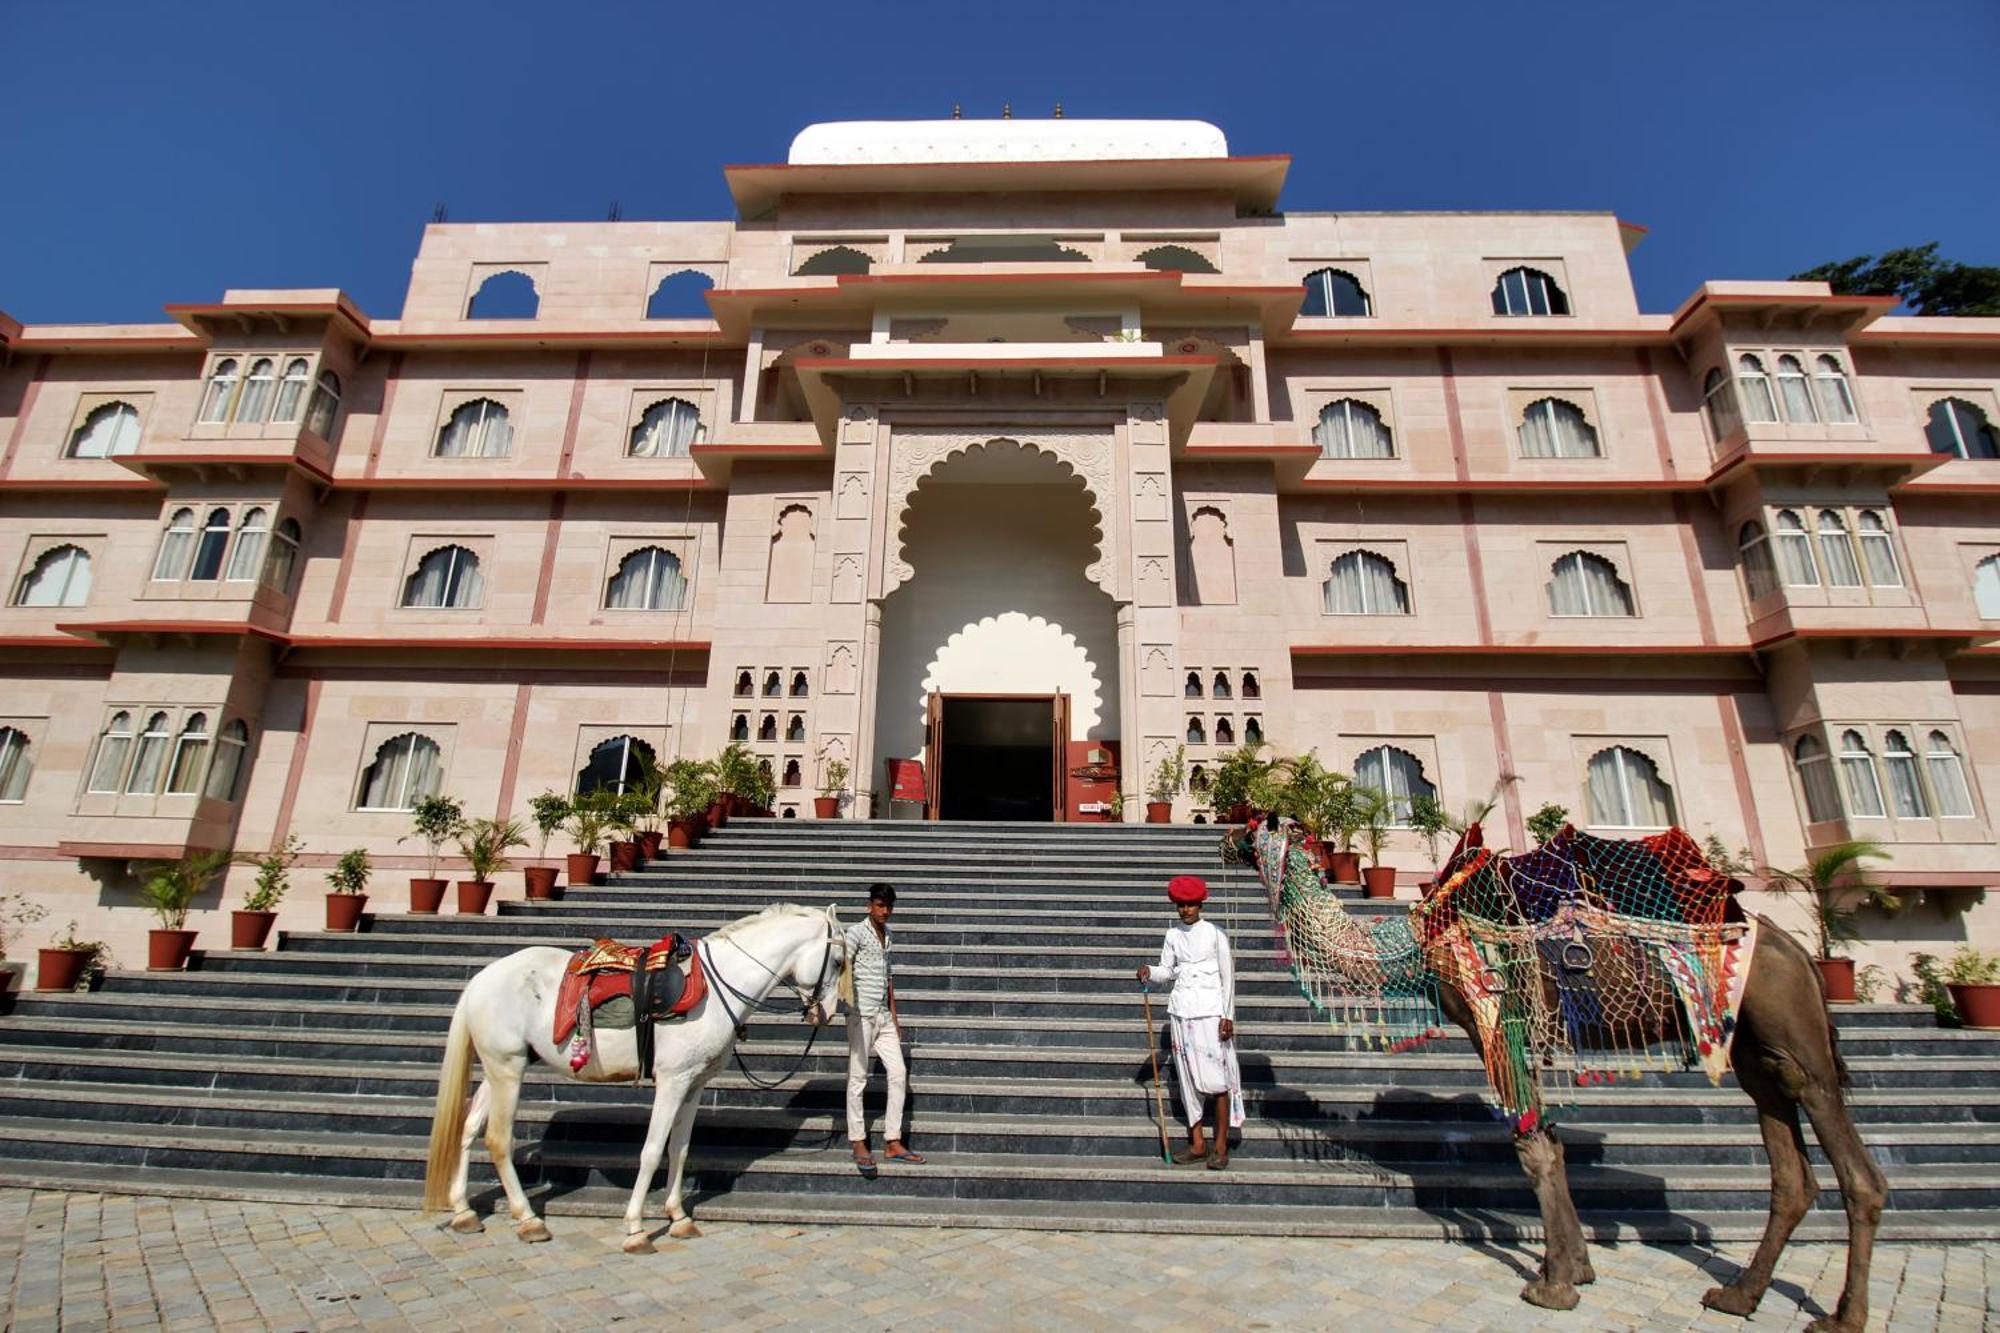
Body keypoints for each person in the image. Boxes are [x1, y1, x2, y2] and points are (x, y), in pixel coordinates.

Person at [1136, 874, 1243, 1169]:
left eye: (1190, 904)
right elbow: (1167, 971)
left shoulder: (1216, 934)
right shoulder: (1172, 935)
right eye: (1180, 905)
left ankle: (1220, 1147)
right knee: (1187, 1082)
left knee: (1217, 1080)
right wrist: (1149, 970)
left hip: (1211, 1014)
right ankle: (1197, 1143)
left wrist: (1228, 1016)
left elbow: (1228, 978)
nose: (1185, 910)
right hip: (1182, 1012)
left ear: (1200, 903)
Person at [844, 881, 922, 1172]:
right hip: (860, 1014)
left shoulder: (888, 935)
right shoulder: (855, 933)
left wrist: (895, 1017)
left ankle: (892, 1139)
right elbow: (842, 965)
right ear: (870, 906)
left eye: (888, 906)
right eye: (880, 905)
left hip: (883, 1016)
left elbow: (889, 979)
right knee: (858, 1077)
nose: (885, 911)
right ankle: (858, 1140)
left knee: (899, 1073)